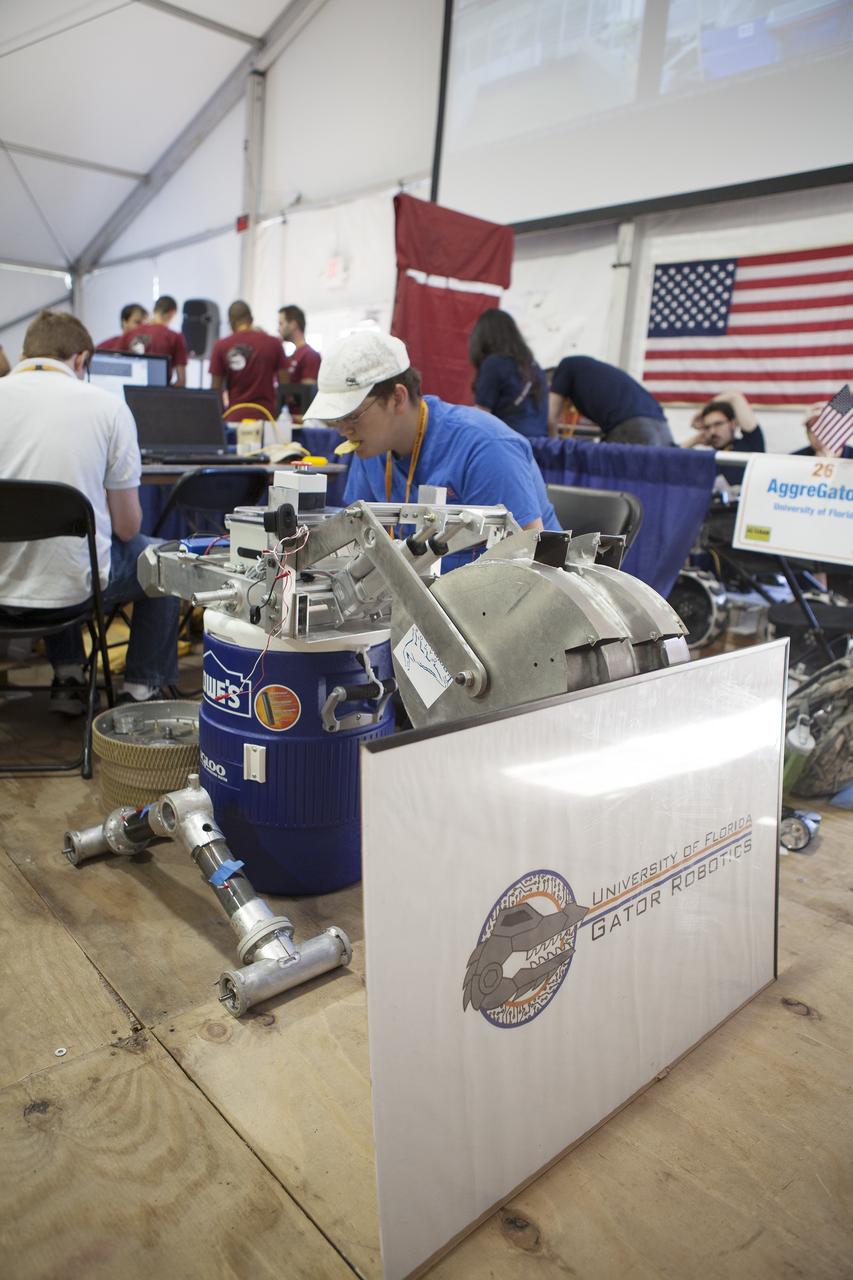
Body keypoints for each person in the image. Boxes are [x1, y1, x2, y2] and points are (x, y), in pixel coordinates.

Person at [0, 311, 181, 712]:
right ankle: (141, 690)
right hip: (75, 591)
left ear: (25, 352)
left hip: (2, 594)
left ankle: (68, 677)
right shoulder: (108, 408)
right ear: (81, 360)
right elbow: (127, 527)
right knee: (165, 557)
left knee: (57, 549)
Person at [306, 330, 559, 570]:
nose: (343, 430)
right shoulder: (371, 449)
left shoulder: (484, 448)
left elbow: (531, 559)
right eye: (337, 419)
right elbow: (356, 537)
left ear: (397, 398)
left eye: (352, 416)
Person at [548, 355, 673, 445]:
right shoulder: (593, 372)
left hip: (630, 427)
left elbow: (550, 418)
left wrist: (554, 448)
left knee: (606, 475)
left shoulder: (565, 366)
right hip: (662, 425)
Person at [468, 308, 548, 438]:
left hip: (508, 444)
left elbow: (481, 417)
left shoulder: (493, 364)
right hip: (540, 447)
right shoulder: (534, 366)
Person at [209, 300, 288, 421]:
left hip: (234, 417)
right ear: (251, 318)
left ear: (231, 322)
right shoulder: (274, 343)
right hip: (266, 418)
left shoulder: (221, 346)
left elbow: (215, 390)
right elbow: (285, 384)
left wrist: (221, 418)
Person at [682, 390, 765, 484]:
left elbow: (734, 397)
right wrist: (695, 440)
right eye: (707, 427)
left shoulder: (751, 444)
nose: (712, 431)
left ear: (733, 424)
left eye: (718, 424)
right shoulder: (708, 458)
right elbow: (668, 459)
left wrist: (701, 411)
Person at [121, 295, 188, 386]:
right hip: (160, 395)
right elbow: (181, 381)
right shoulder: (175, 337)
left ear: (155, 310)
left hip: (130, 392)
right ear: (171, 313)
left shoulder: (130, 334)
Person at [278, 305, 321, 384]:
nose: (278, 329)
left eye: (281, 324)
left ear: (293, 324)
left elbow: (307, 393)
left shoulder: (310, 355)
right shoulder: (291, 356)